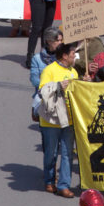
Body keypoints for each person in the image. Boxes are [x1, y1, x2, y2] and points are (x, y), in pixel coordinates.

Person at [38, 43, 79, 197]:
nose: (75, 56)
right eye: (73, 53)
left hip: (68, 119)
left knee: (68, 153)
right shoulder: (49, 70)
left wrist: (85, 82)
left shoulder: (73, 72)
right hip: (51, 121)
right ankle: (49, 181)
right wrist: (57, 85)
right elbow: (43, 90)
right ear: (64, 56)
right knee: (51, 153)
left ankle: (63, 185)